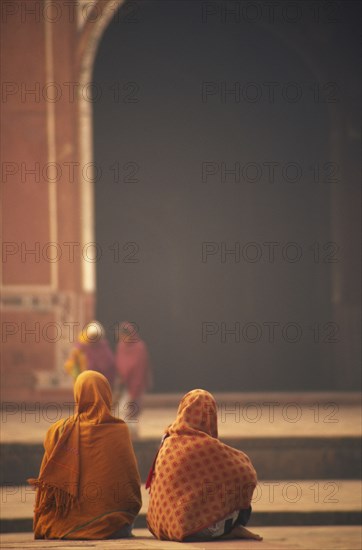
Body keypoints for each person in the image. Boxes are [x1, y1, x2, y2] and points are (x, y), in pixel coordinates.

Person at [28, 370, 142, 539]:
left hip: (63, 525)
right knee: (122, 521)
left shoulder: (59, 430)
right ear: (107, 394)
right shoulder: (119, 431)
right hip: (112, 525)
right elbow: (130, 484)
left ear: (78, 394)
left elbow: (48, 482)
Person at [146, 389, 263, 542]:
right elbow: (247, 474)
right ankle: (231, 529)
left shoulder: (168, 441)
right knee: (241, 502)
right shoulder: (206, 446)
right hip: (193, 532)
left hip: (160, 527)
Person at [115, 321, 151, 427]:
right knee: (122, 409)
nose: (123, 338)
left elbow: (141, 366)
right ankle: (126, 433)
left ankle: (132, 434)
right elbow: (119, 363)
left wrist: (136, 382)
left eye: (124, 335)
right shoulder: (121, 346)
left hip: (136, 382)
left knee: (133, 408)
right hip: (124, 383)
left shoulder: (139, 347)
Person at [64, 321, 116, 388]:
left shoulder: (102, 347)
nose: (94, 340)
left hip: (100, 383)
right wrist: (79, 377)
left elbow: (109, 364)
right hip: (84, 383)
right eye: (92, 337)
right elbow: (71, 365)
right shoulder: (79, 348)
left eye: (96, 337)